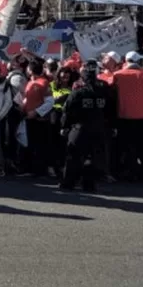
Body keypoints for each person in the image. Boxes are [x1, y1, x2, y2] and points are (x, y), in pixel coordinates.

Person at [59, 61, 114, 192]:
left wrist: (64, 126)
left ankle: (69, 183)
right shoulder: (105, 90)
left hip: (80, 128)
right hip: (98, 128)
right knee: (92, 157)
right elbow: (111, 110)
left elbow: (67, 110)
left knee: (73, 156)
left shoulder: (79, 91)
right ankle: (89, 184)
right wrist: (111, 126)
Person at [111, 51, 143, 181]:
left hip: (123, 116)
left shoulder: (118, 75)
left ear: (126, 61)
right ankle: (142, 173)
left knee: (125, 146)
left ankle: (127, 171)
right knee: (142, 147)